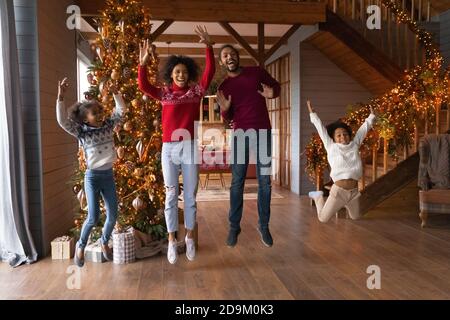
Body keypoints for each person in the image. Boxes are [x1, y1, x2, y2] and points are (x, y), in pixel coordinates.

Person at [138, 26, 215, 264]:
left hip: (189, 146)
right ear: (171, 74)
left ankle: (189, 237)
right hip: (169, 148)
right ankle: (172, 240)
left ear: (188, 74)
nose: (181, 75)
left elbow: (210, 72)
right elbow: (143, 87)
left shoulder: (195, 92)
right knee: (170, 195)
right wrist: (141, 65)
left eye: (184, 72)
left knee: (191, 196)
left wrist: (209, 47)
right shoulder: (163, 94)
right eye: (177, 72)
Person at [216, 44, 280, 248]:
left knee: (265, 182)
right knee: (237, 182)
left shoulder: (255, 72)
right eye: (225, 55)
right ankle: (234, 227)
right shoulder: (223, 87)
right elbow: (228, 119)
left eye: (232, 54)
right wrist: (225, 111)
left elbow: (275, 86)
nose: (230, 57)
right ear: (222, 62)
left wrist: (273, 94)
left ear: (237, 57)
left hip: (263, 132)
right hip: (240, 134)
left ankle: (264, 225)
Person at [56, 78, 125, 267]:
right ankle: (81, 245)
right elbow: (62, 122)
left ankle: (104, 242)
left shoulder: (108, 126)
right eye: (95, 113)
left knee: (113, 216)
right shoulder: (82, 132)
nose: (101, 115)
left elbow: (121, 111)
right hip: (92, 177)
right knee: (93, 216)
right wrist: (60, 97)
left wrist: (116, 92)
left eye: (100, 111)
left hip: (108, 176)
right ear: (86, 119)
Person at [307, 100, 376, 223]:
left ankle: (346, 203)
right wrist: (313, 114)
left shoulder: (354, 145)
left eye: (345, 134)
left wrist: (371, 117)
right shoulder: (331, 146)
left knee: (355, 217)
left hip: (354, 192)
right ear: (333, 138)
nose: (343, 137)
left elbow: (362, 131)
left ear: (349, 135)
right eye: (338, 135)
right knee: (323, 218)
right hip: (338, 192)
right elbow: (320, 128)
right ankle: (318, 197)